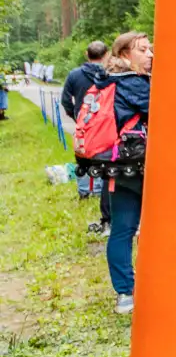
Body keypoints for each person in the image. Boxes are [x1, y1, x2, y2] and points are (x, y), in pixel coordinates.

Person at [101, 32, 153, 313]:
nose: (150, 55)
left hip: (118, 165)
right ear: (124, 54)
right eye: (142, 50)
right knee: (156, 227)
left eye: (150, 49)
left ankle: (125, 293)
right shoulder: (134, 83)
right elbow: (168, 112)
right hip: (140, 165)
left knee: (122, 229)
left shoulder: (108, 80)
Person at [63, 42, 112, 232]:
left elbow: (65, 100)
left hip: (83, 122)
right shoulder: (110, 74)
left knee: (82, 155)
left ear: (86, 54)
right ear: (106, 54)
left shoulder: (74, 75)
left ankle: (84, 191)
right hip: (105, 124)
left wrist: (76, 116)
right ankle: (100, 190)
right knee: (104, 155)